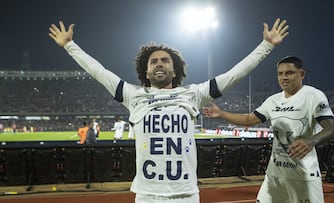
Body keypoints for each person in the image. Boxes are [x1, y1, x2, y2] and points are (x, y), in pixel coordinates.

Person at [48, 18, 289, 203]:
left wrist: (266, 45)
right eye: (153, 62)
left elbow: (234, 75)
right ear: (146, 71)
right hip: (147, 194)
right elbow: (98, 72)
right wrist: (70, 45)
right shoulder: (133, 95)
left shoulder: (194, 94)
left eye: (165, 61)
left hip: (185, 193)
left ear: (175, 71)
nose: (159, 64)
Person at [202, 56, 334, 203]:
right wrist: (221, 114)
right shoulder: (273, 100)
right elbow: (249, 120)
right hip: (275, 175)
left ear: (302, 74)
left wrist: (310, 141)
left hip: (303, 176)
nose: (283, 77)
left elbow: (332, 130)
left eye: (289, 73)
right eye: (280, 73)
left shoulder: (313, 96)